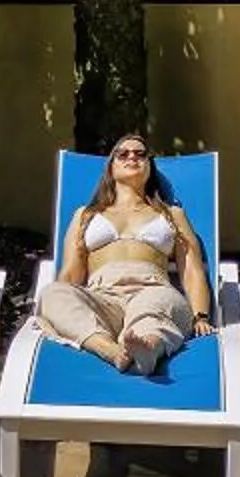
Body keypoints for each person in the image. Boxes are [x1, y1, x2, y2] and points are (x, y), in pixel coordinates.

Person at [37, 135, 214, 373]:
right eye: (123, 153)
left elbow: (192, 270)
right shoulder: (86, 215)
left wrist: (200, 316)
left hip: (153, 290)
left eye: (141, 154)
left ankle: (148, 347)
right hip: (103, 298)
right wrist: (62, 304)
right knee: (52, 293)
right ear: (111, 167)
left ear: (149, 166)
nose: (133, 156)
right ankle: (110, 349)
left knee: (160, 306)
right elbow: (70, 272)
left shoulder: (172, 214)